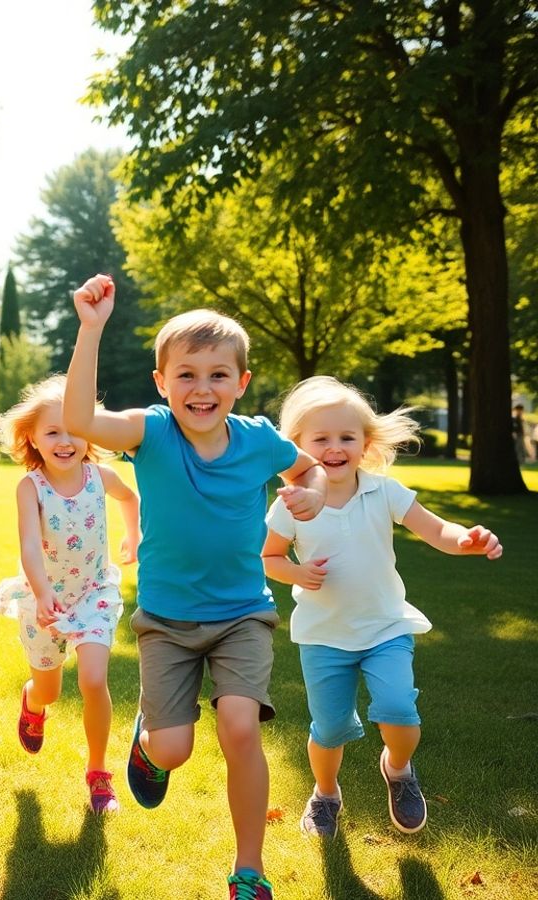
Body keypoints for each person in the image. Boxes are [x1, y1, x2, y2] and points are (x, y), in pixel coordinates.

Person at [64, 274, 328, 900]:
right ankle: (149, 747)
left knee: (240, 727)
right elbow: (78, 420)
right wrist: (90, 329)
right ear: (162, 382)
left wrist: (313, 493)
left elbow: (309, 466)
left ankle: (249, 871)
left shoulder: (260, 440)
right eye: (186, 374)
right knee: (175, 749)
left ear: (241, 382)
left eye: (217, 375)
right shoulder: (151, 433)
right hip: (167, 620)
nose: (201, 387)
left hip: (243, 615)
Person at [262, 376, 503, 840]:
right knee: (329, 729)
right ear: (297, 448)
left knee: (398, 711)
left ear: (365, 443)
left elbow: (437, 531)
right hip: (324, 635)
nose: (335, 448)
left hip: (385, 628)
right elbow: (269, 558)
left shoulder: (384, 491)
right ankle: (326, 794)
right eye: (321, 439)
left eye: (347, 437)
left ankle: (398, 768)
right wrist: (296, 572)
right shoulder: (291, 505)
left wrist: (466, 539)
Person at [0, 375, 139, 814]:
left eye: (74, 429)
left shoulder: (101, 477)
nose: (66, 441)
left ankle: (98, 773)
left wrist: (133, 534)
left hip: (94, 592)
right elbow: (29, 546)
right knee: (49, 690)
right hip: (45, 599)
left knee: (93, 680)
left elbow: (130, 498)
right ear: (32, 438)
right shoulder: (30, 487)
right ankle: (33, 702)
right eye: (53, 432)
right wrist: (41, 593)